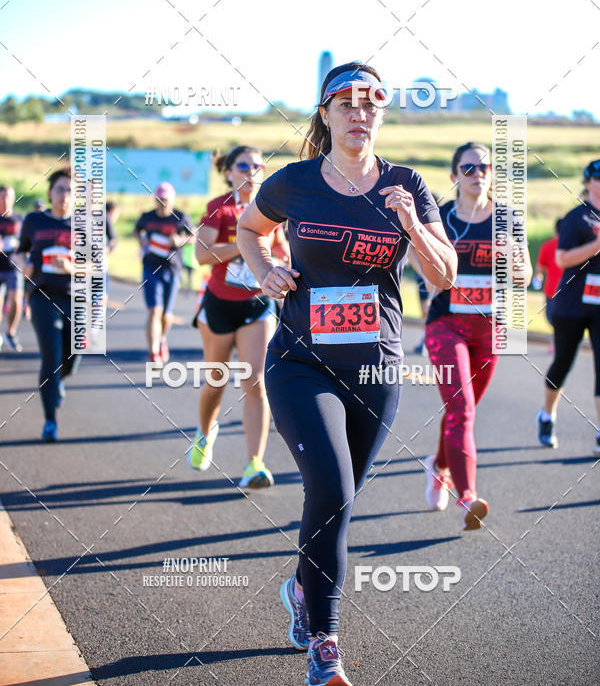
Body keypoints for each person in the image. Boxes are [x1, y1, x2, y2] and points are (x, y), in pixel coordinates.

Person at [236, 63, 456, 686]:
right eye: (347, 103)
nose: (360, 114)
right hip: (300, 362)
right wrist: (263, 269)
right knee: (331, 490)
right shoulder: (294, 182)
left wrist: (411, 226)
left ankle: (301, 588)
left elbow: (443, 276)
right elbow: (250, 229)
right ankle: (325, 640)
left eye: (372, 104)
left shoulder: (408, 184)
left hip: (376, 367)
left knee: (338, 503)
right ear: (326, 113)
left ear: (381, 114)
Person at [422, 142, 532, 530]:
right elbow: (426, 272)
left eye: (483, 167)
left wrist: (512, 257)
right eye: (468, 168)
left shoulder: (507, 218)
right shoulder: (441, 217)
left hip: (490, 327)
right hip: (446, 323)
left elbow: (524, 277)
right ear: (454, 176)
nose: (477, 174)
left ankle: (439, 465)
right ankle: (468, 497)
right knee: (462, 407)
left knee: (463, 409)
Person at [190, 146, 289, 490]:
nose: (250, 171)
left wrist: (280, 262)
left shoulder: (270, 209)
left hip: (256, 305)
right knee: (215, 381)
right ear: (229, 172)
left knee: (255, 382)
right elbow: (201, 254)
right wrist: (247, 243)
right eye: (243, 165)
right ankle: (205, 433)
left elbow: (283, 252)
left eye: (257, 166)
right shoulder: (219, 207)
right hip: (219, 304)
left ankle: (254, 464)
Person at [537, 159, 600, 454]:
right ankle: (547, 415)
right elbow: (562, 259)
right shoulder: (578, 217)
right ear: (587, 183)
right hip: (571, 304)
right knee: (563, 363)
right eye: (597, 177)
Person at [16, 169, 80, 441]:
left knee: (71, 358)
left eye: (70, 190)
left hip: (75, 297)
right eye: (60, 189)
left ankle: (59, 381)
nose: (64, 195)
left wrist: (71, 267)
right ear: (50, 193)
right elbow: (20, 251)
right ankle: (50, 420)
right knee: (51, 357)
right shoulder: (35, 220)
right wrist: (23, 264)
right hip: (42, 295)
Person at [134, 183, 194, 363]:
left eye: (166, 200)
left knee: (166, 315)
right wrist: (141, 240)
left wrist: (180, 240)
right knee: (155, 310)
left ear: (172, 200)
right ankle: (153, 352)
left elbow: (193, 237)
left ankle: (162, 339)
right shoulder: (147, 217)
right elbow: (136, 231)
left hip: (172, 269)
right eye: (159, 200)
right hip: (151, 267)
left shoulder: (181, 217)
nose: (162, 204)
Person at [0, 185, 24, 352]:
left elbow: (27, 241)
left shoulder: (19, 219)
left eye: (8, 197)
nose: (5, 200)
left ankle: (10, 332)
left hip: (13, 267)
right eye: (2, 197)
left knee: (16, 300)